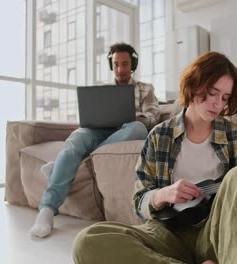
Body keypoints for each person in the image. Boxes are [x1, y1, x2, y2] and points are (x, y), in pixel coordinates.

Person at [72, 52, 237, 263]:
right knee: (87, 241)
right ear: (194, 84)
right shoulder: (160, 136)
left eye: (225, 98)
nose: (218, 104)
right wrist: (163, 194)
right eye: (212, 92)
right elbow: (139, 201)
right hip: (167, 232)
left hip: (215, 233)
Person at [30, 42, 160, 238]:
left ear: (132, 64)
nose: (120, 69)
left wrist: (130, 115)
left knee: (138, 128)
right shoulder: (103, 90)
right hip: (99, 130)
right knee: (78, 137)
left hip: (127, 131)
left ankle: (60, 165)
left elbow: (153, 116)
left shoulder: (145, 89)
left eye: (124, 64)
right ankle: (47, 209)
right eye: (116, 64)